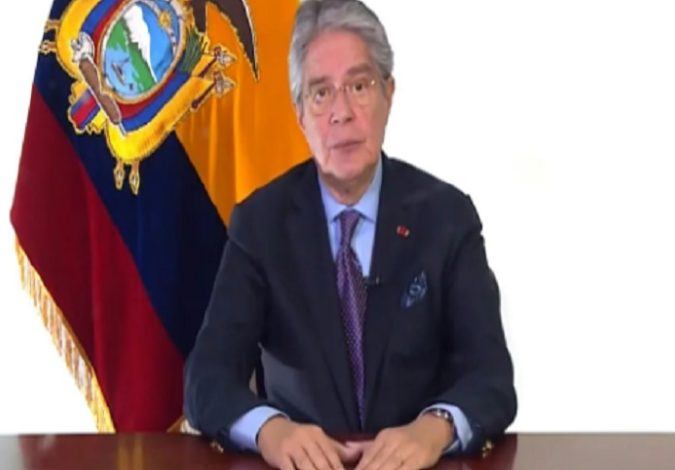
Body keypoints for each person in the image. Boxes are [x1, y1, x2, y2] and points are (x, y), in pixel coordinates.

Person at [184, 1, 516, 468]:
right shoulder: (260, 224)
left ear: (389, 94)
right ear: (300, 114)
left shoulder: (446, 217)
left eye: (359, 86)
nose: (341, 112)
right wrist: (270, 431)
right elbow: (206, 378)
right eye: (320, 93)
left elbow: (491, 376)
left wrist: (434, 429)